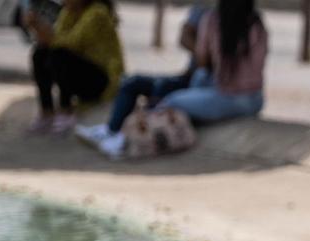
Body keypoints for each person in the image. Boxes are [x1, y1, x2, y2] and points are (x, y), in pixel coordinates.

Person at [75, 5, 209, 156]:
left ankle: (131, 138)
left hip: (203, 81)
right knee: (133, 82)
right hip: (191, 75)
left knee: (161, 88)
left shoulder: (214, 19)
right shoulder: (205, 9)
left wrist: (204, 49)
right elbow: (184, 38)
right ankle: (112, 131)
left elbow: (203, 60)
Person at [22, 0, 124, 134]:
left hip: (102, 80)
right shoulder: (68, 12)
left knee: (59, 55)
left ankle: (66, 110)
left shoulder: (97, 13)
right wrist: (37, 28)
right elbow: (54, 40)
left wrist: (40, 28)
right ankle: (47, 111)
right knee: (40, 53)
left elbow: (70, 43)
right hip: (82, 71)